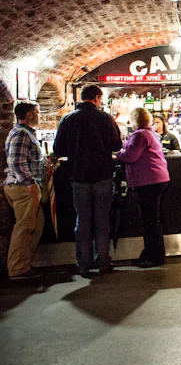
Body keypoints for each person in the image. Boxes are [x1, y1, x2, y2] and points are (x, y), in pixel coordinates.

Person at [54, 85, 122, 276]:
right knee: (102, 219)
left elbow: (58, 149)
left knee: (82, 220)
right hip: (103, 176)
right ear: (97, 98)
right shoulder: (105, 118)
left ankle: (83, 263)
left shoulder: (67, 119)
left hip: (78, 176)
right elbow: (118, 144)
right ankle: (103, 262)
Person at [117, 108, 170, 267]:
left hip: (148, 181)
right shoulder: (150, 133)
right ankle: (151, 254)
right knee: (152, 220)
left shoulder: (140, 135)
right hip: (156, 179)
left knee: (149, 221)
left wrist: (117, 154)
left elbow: (130, 156)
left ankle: (154, 257)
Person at [3, 102, 46, 280]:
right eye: (37, 112)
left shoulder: (24, 133)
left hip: (24, 186)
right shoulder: (22, 134)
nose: (39, 116)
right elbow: (16, 163)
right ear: (29, 115)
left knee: (36, 224)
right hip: (23, 188)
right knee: (24, 227)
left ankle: (24, 264)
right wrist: (30, 184)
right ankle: (17, 268)